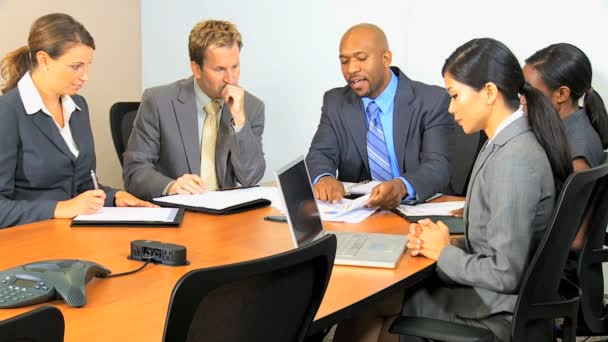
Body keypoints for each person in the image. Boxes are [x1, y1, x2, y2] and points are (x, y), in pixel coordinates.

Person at [333, 38, 572, 342]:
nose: (450, 107)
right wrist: (443, 242)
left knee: (365, 308)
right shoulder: (505, 142)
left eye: (455, 96)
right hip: (496, 299)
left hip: (496, 311)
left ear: (489, 93)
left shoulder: (514, 159)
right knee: (371, 305)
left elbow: (504, 273)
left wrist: (443, 252)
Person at [0, 13, 154, 229]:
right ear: (43, 60)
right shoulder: (7, 112)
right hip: (29, 241)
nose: (85, 76)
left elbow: (81, 184)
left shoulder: (78, 106)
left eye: (87, 65)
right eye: (76, 66)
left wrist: (115, 197)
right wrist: (59, 208)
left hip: (72, 233)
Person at [306, 23, 454, 210]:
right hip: (362, 212)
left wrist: (401, 186)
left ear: (386, 58)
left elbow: (438, 166)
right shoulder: (335, 102)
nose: (351, 69)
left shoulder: (432, 101)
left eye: (361, 58)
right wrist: (324, 177)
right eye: (344, 61)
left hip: (419, 209)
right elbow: (321, 153)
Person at [123, 20, 265, 200]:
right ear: (196, 69)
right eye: (220, 69)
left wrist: (239, 120)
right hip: (178, 212)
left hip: (226, 216)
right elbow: (134, 172)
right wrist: (171, 186)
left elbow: (250, 178)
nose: (231, 79)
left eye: (235, 67)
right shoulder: (158, 102)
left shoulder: (251, 107)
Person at [524, 43, 607, 171]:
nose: (522, 100)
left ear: (561, 94)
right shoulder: (560, 127)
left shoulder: (578, 155)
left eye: (530, 93)